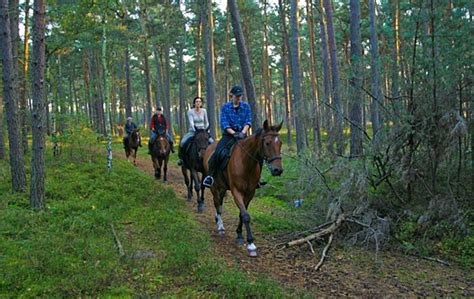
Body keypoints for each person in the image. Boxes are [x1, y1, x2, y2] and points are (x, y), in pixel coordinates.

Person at [202, 85, 251, 187]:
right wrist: (233, 133)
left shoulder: (246, 106)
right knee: (217, 153)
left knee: (255, 153)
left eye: (240, 96)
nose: (238, 98)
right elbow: (224, 123)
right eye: (236, 96)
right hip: (229, 135)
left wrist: (242, 132)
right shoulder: (226, 107)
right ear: (231, 96)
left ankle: (256, 179)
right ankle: (210, 176)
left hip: (242, 134)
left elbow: (248, 121)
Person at [177, 96, 214, 166]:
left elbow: (207, 122)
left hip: (203, 131)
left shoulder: (204, 111)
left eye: (199, 102)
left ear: (201, 103)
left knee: (212, 142)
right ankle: (181, 159)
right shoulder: (190, 112)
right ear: (194, 103)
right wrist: (196, 130)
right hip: (193, 131)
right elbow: (191, 122)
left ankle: (213, 158)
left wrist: (206, 129)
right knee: (183, 142)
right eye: (196, 102)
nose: (198, 103)